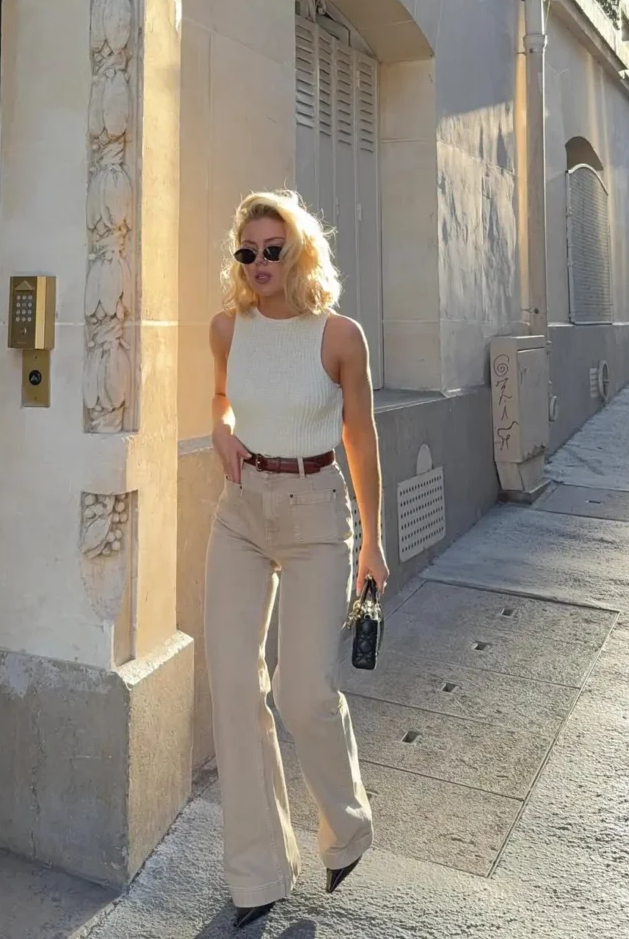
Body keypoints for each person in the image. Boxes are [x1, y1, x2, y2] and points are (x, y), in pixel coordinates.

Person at [205, 190, 390, 929]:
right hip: (241, 513)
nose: (259, 263)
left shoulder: (339, 336)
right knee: (231, 685)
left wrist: (373, 541)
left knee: (303, 691)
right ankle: (257, 873)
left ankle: (346, 824)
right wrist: (219, 428)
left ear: (299, 252)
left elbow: (361, 437)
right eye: (247, 251)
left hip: (317, 513)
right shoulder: (226, 328)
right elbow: (221, 398)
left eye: (272, 250)